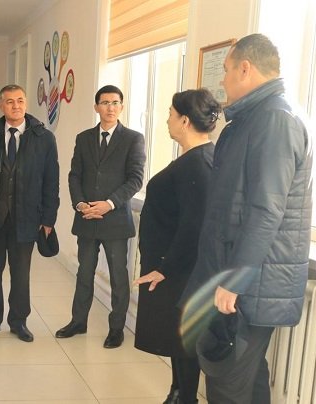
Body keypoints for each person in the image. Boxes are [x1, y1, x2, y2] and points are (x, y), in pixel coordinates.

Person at [181, 33, 312, 404]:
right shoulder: (256, 118)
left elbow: (266, 209)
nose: (222, 81)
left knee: (227, 385)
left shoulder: (275, 120)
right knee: (248, 380)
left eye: (225, 71)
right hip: (242, 276)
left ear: (245, 68)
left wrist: (234, 281)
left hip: (250, 283)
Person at [133, 89, 220, 404]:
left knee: (183, 339)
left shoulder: (198, 164)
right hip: (174, 266)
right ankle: (178, 391)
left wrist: (164, 268)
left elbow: (194, 226)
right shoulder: (196, 158)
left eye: (170, 114)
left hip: (178, 270)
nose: (167, 120)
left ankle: (184, 396)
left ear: (185, 120)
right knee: (176, 336)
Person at [0, 84, 60, 342]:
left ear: (26, 103)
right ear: (0, 105)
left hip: (27, 218)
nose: (16, 106)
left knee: (21, 275)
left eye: (20, 100)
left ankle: (19, 322)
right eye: (9, 101)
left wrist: (48, 218)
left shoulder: (43, 137)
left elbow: (51, 181)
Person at [56, 85, 145, 348]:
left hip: (115, 220)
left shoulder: (133, 139)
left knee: (118, 276)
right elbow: (75, 175)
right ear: (96, 107)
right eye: (105, 103)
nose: (110, 108)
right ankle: (78, 322)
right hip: (87, 218)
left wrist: (109, 204)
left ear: (122, 106)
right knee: (84, 272)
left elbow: (135, 179)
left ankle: (116, 329)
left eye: (115, 103)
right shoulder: (84, 138)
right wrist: (80, 204)